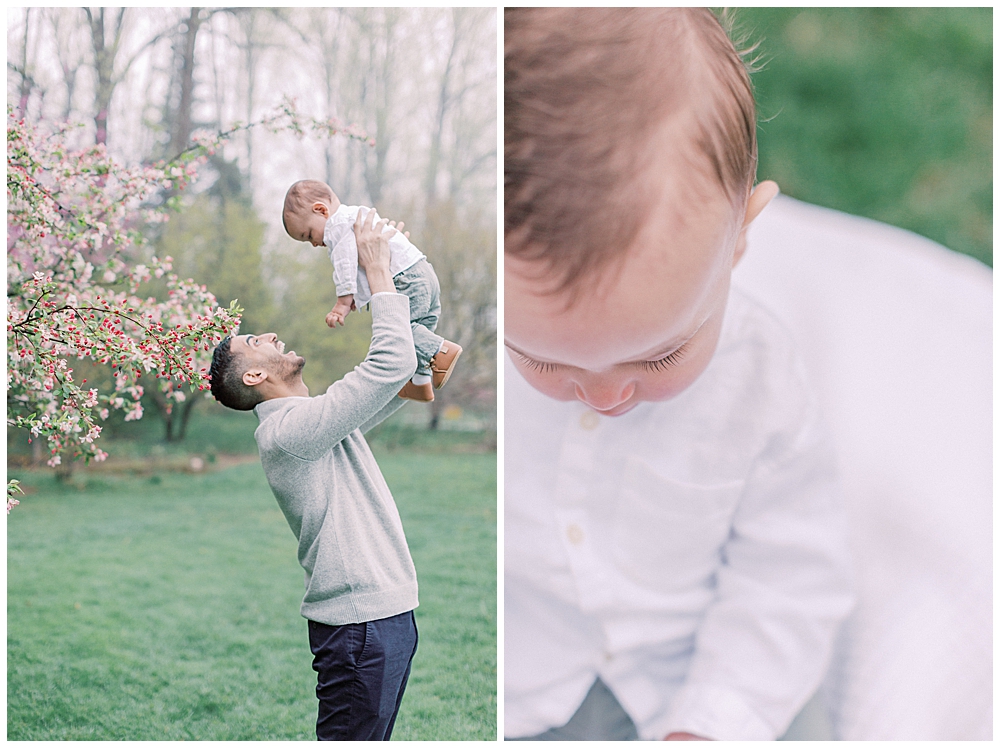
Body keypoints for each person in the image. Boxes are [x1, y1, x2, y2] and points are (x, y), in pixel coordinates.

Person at [504, 8, 854, 741]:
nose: (605, 395)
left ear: (742, 236)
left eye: (660, 354)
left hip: (708, 678)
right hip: (525, 688)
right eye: (543, 359)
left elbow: (789, 574)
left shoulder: (761, 384)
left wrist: (714, 720)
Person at [209, 211, 419, 740]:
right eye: (255, 339)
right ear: (254, 375)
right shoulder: (289, 433)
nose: (271, 333)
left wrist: (402, 273)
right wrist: (373, 272)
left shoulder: (311, 424)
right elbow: (390, 367)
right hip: (358, 628)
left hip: (381, 618)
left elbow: (399, 380)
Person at [282, 179, 461, 402]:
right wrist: (359, 295)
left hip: (403, 279)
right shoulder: (356, 216)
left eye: (308, 235)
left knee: (402, 332)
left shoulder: (336, 227)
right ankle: (419, 383)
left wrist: (343, 302)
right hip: (422, 272)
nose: (314, 244)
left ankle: (441, 350)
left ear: (321, 210)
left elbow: (345, 264)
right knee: (419, 331)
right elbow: (360, 265)